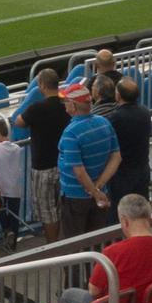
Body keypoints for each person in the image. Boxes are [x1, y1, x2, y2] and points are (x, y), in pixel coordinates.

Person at [61, 194, 152, 303]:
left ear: (125, 221)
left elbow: (94, 291)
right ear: (149, 218)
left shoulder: (111, 254)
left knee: (68, 295)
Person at [16, 69, 72, 241]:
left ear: (42, 85)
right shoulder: (67, 106)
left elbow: (18, 121)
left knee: (48, 212)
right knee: (64, 206)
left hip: (43, 168)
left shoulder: (37, 108)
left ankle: (53, 249)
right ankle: (65, 243)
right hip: (65, 164)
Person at [57, 89, 119, 238]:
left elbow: (78, 171)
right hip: (99, 192)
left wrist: (95, 192)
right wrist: (97, 187)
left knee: (74, 243)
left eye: (65, 101)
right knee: (96, 240)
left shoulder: (71, 133)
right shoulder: (104, 122)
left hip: (75, 197)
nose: (64, 105)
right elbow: (116, 157)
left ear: (73, 105)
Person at [103, 77, 152, 203]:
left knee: (119, 209)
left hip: (123, 172)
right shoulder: (145, 112)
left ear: (118, 96)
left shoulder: (116, 117)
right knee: (140, 207)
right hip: (142, 167)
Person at [0, 121, 26, 238]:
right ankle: (13, 240)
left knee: (0, 212)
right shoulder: (17, 148)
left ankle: (6, 234)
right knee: (14, 215)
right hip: (15, 189)